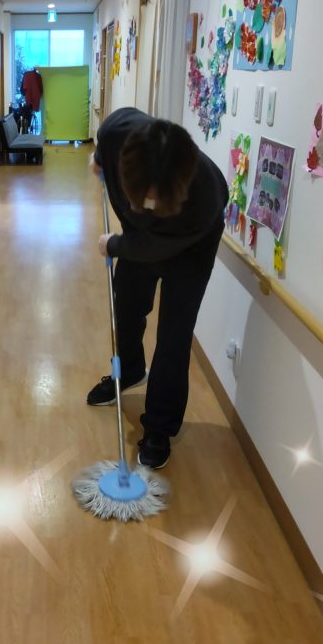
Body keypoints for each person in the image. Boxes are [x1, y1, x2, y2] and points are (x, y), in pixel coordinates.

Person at [88, 107, 228, 470]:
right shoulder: (117, 130)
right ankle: (130, 369)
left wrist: (113, 244)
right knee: (127, 303)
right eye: (137, 195)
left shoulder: (203, 195)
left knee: (173, 336)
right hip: (143, 237)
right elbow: (104, 149)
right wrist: (100, 161)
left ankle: (159, 427)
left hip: (191, 250)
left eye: (149, 201)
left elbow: (151, 247)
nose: (139, 205)